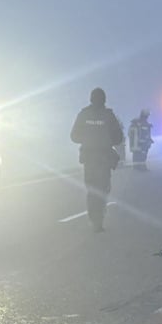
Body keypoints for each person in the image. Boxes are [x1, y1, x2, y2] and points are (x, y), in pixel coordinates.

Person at [70, 87, 124, 232]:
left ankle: (94, 219)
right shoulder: (108, 115)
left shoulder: (83, 114)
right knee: (103, 188)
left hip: (89, 158)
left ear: (91, 99)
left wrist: (88, 139)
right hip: (104, 158)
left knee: (92, 189)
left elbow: (74, 136)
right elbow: (118, 137)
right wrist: (105, 140)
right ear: (104, 100)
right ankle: (98, 218)